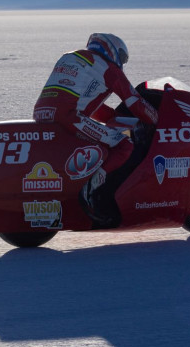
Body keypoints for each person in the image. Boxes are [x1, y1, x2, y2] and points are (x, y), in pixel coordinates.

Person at [33, 33, 158, 224]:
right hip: (69, 116)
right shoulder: (108, 68)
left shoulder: (72, 57)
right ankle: (91, 189)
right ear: (112, 50)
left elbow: (86, 102)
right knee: (124, 145)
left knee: (98, 141)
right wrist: (156, 118)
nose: (121, 63)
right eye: (122, 58)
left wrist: (114, 118)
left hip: (42, 114)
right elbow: (134, 101)